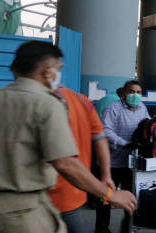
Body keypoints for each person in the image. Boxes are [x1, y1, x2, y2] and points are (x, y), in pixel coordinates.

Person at [0, 41, 135, 233]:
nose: (58, 74)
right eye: (59, 68)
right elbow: (65, 163)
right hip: (21, 215)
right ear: (48, 70)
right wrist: (109, 194)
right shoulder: (47, 103)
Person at [47, 87, 115, 233]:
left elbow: (63, 163)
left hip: (46, 193)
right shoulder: (83, 100)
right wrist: (106, 176)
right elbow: (100, 138)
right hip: (74, 189)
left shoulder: (42, 100)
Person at [97, 80, 150, 233]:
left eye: (139, 92)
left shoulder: (142, 108)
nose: (135, 95)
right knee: (105, 199)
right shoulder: (113, 108)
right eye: (132, 91)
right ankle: (101, 230)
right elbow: (105, 130)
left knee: (131, 198)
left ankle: (127, 229)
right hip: (111, 161)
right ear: (123, 94)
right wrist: (124, 143)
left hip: (131, 163)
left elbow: (147, 126)